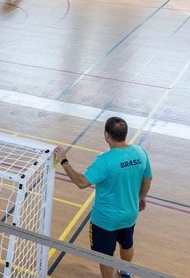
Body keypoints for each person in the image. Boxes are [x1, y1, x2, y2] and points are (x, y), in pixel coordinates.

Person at [54, 117, 152, 278]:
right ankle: (126, 271)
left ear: (106, 135)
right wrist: (140, 197)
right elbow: (147, 180)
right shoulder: (140, 153)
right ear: (125, 134)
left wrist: (63, 160)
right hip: (129, 215)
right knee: (127, 244)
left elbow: (81, 182)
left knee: (104, 256)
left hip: (105, 220)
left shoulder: (105, 161)